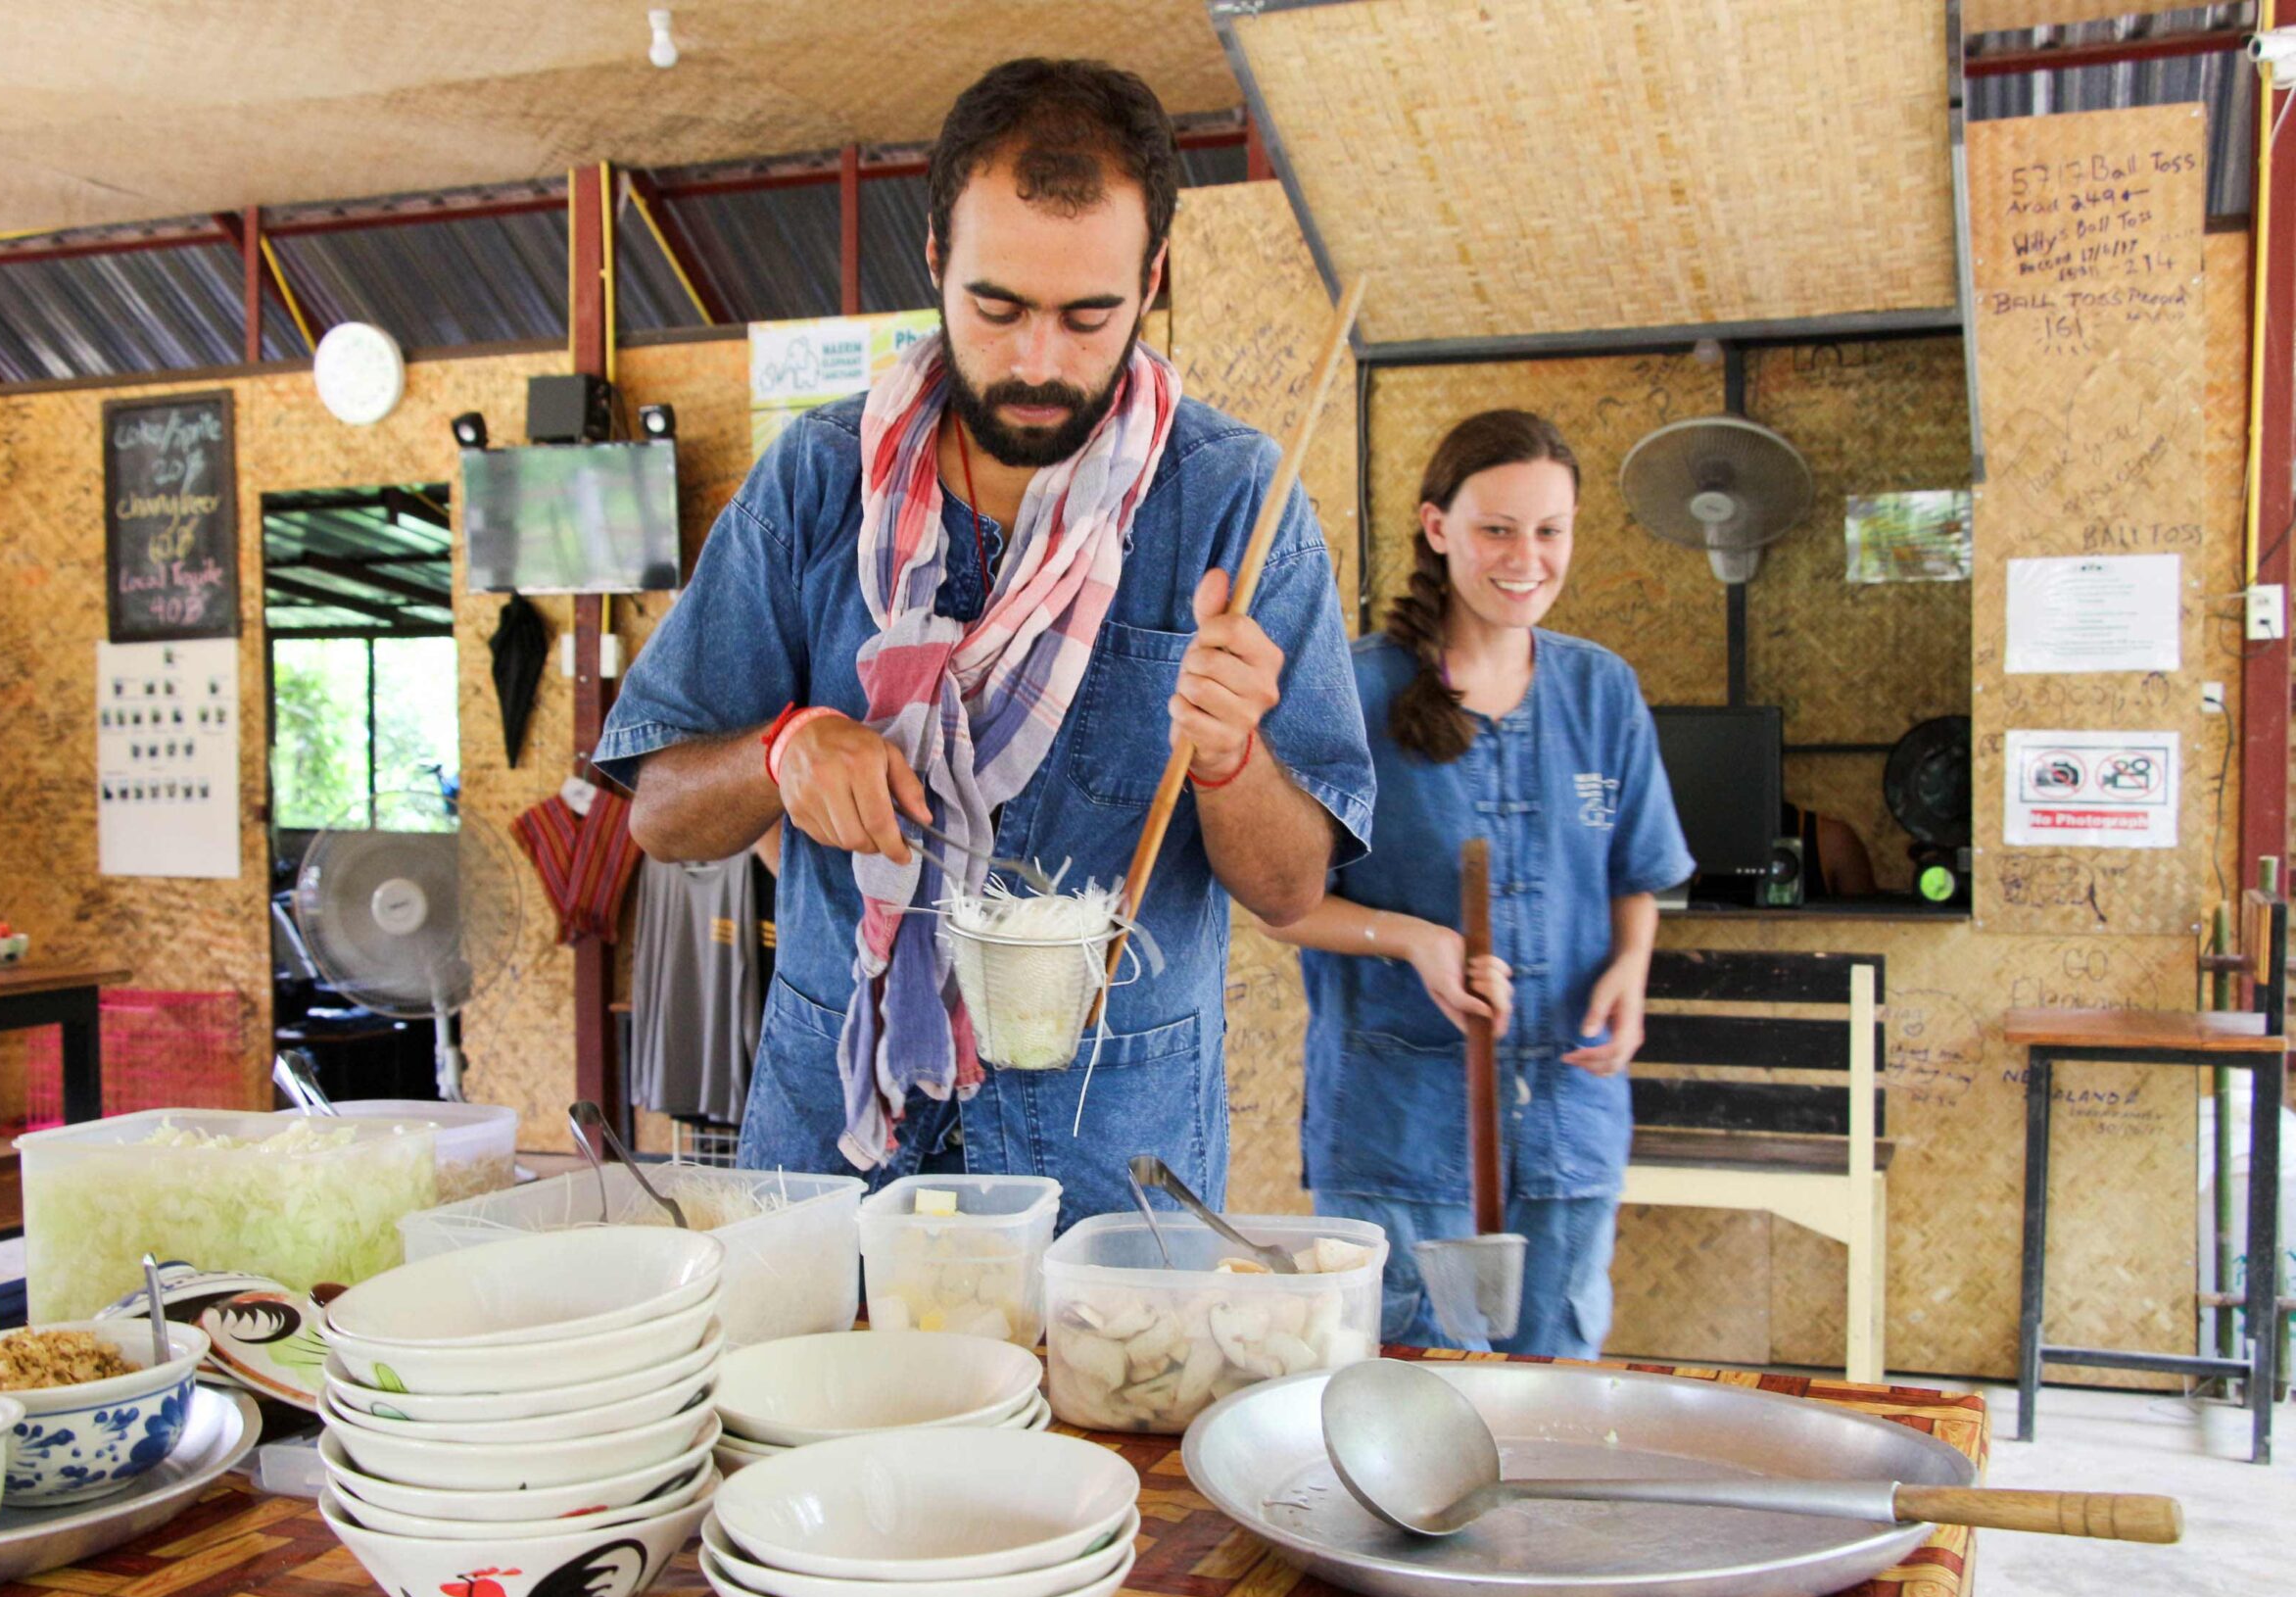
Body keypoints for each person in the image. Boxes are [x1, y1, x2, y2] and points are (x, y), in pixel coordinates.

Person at [599, 59, 1372, 1224]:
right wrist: (781, 750)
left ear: (1151, 280)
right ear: (933, 265)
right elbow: (659, 814)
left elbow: (1287, 885)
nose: (1036, 363)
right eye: (996, 307)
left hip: (1108, 1162)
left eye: (1088, 316)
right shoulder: (817, 480)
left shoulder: (1232, 506)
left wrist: (1229, 759)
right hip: (834, 1152)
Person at [1269, 411, 1692, 1357]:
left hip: (1569, 1118)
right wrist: (1416, 939)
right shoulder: (1353, 691)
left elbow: (1637, 871)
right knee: (1405, 1393)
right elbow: (1283, 903)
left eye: (1552, 530)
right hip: (1400, 1126)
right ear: (1437, 527)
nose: (1527, 557)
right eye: (1497, 529)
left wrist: (1632, 967)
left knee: (1555, 1384)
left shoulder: (1602, 691)